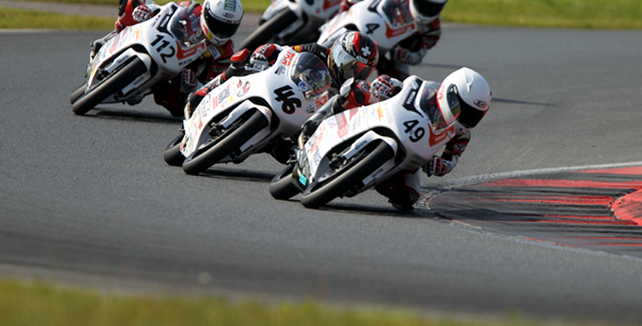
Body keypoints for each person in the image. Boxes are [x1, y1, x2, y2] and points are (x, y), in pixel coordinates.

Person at [186, 30, 393, 163]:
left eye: (359, 69)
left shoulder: (347, 91)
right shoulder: (317, 50)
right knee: (242, 62)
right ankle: (209, 89)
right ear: (337, 52)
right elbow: (284, 51)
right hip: (282, 87)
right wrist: (263, 54)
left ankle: (269, 147)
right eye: (349, 63)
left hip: (301, 117)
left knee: (290, 153)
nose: (351, 72)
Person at [91, 0, 244, 116]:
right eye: (217, 24)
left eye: (227, 28)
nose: (221, 32)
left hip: (179, 74)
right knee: (132, 0)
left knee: (181, 104)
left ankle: (145, 89)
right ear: (206, 13)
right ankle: (111, 38)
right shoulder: (192, 9)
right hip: (165, 41)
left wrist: (193, 84)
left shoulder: (224, 53)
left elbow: (212, 87)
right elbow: (167, 11)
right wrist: (149, 12)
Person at [370, 68, 492, 212]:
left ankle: (375, 178)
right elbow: (400, 87)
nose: (465, 117)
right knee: (359, 93)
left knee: (408, 197)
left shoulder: (462, 134)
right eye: (462, 109)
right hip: (389, 122)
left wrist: (441, 165)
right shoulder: (427, 93)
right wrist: (386, 82)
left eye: (473, 115)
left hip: (412, 154)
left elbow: (452, 159)